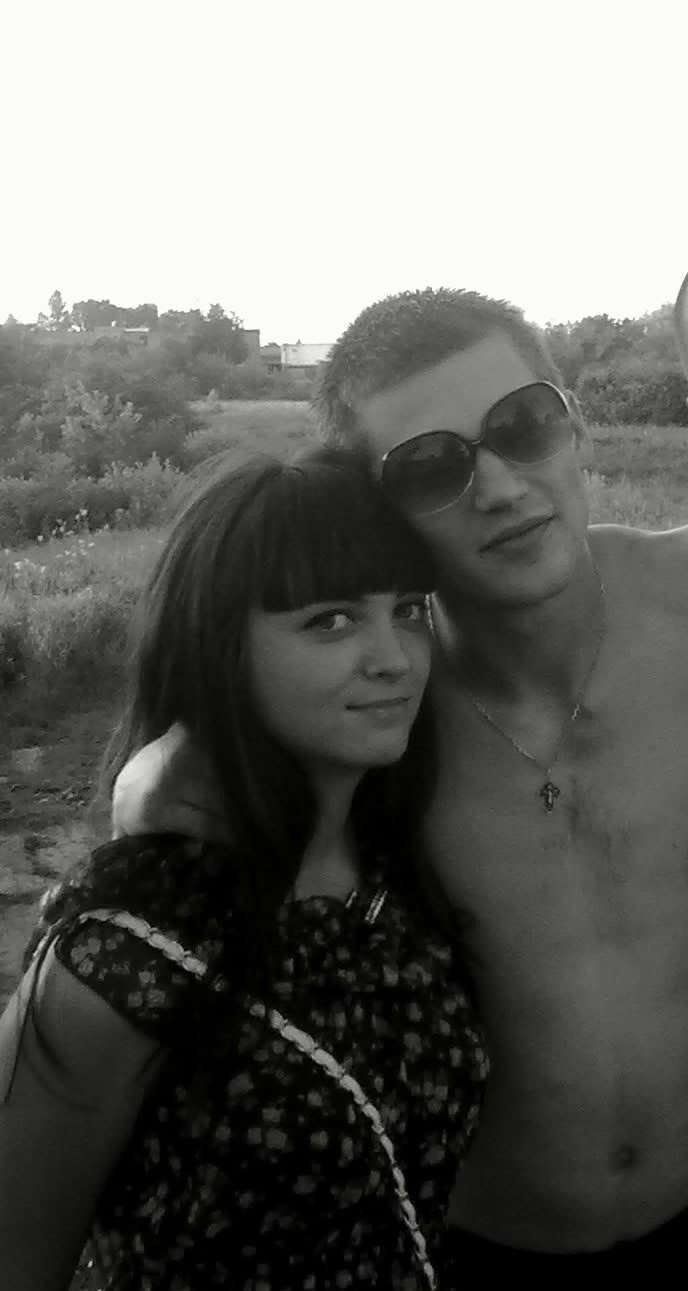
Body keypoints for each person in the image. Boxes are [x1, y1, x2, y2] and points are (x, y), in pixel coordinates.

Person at [112, 281, 688, 1273]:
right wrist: (151, 782)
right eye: (430, 468)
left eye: (523, 424)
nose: (499, 486)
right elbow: (177, 787)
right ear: (376, 513)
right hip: (478, 1245)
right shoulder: (374, 711)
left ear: (575, 423)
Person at [0, 445, 489, 1291]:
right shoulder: (130, 947)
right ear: (219, 646)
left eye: (409, 609)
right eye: (330, 621)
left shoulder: (403, 868)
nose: (395, 657)